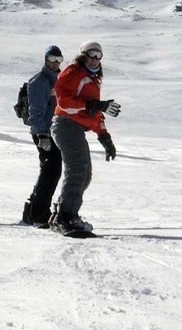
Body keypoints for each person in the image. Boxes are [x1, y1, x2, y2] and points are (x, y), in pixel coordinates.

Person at [50, 40, 120, 236]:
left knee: (85, 174)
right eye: (91, 54)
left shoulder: (92, 79)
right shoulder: (74, 72)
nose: (95, 59)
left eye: (99, 56)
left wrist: (104, 136)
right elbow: (64, 102)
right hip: (65, 124)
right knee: (78, 170)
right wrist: (95, 105)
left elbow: (93, 112)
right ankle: (65, 218)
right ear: (83, 55)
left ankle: (65, 212)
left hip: (75, 127)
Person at [20, 45, 65, 226]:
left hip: (52, 132)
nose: (55, 63)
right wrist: (41, 134)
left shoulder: (55, 80)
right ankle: (39, 213)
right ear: (45, 60)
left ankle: (33, 210)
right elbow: (36, 111)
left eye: (58, 60)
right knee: (51, 170)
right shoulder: (40, 81)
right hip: (43, 133)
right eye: (52, 59)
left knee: (50, 170)